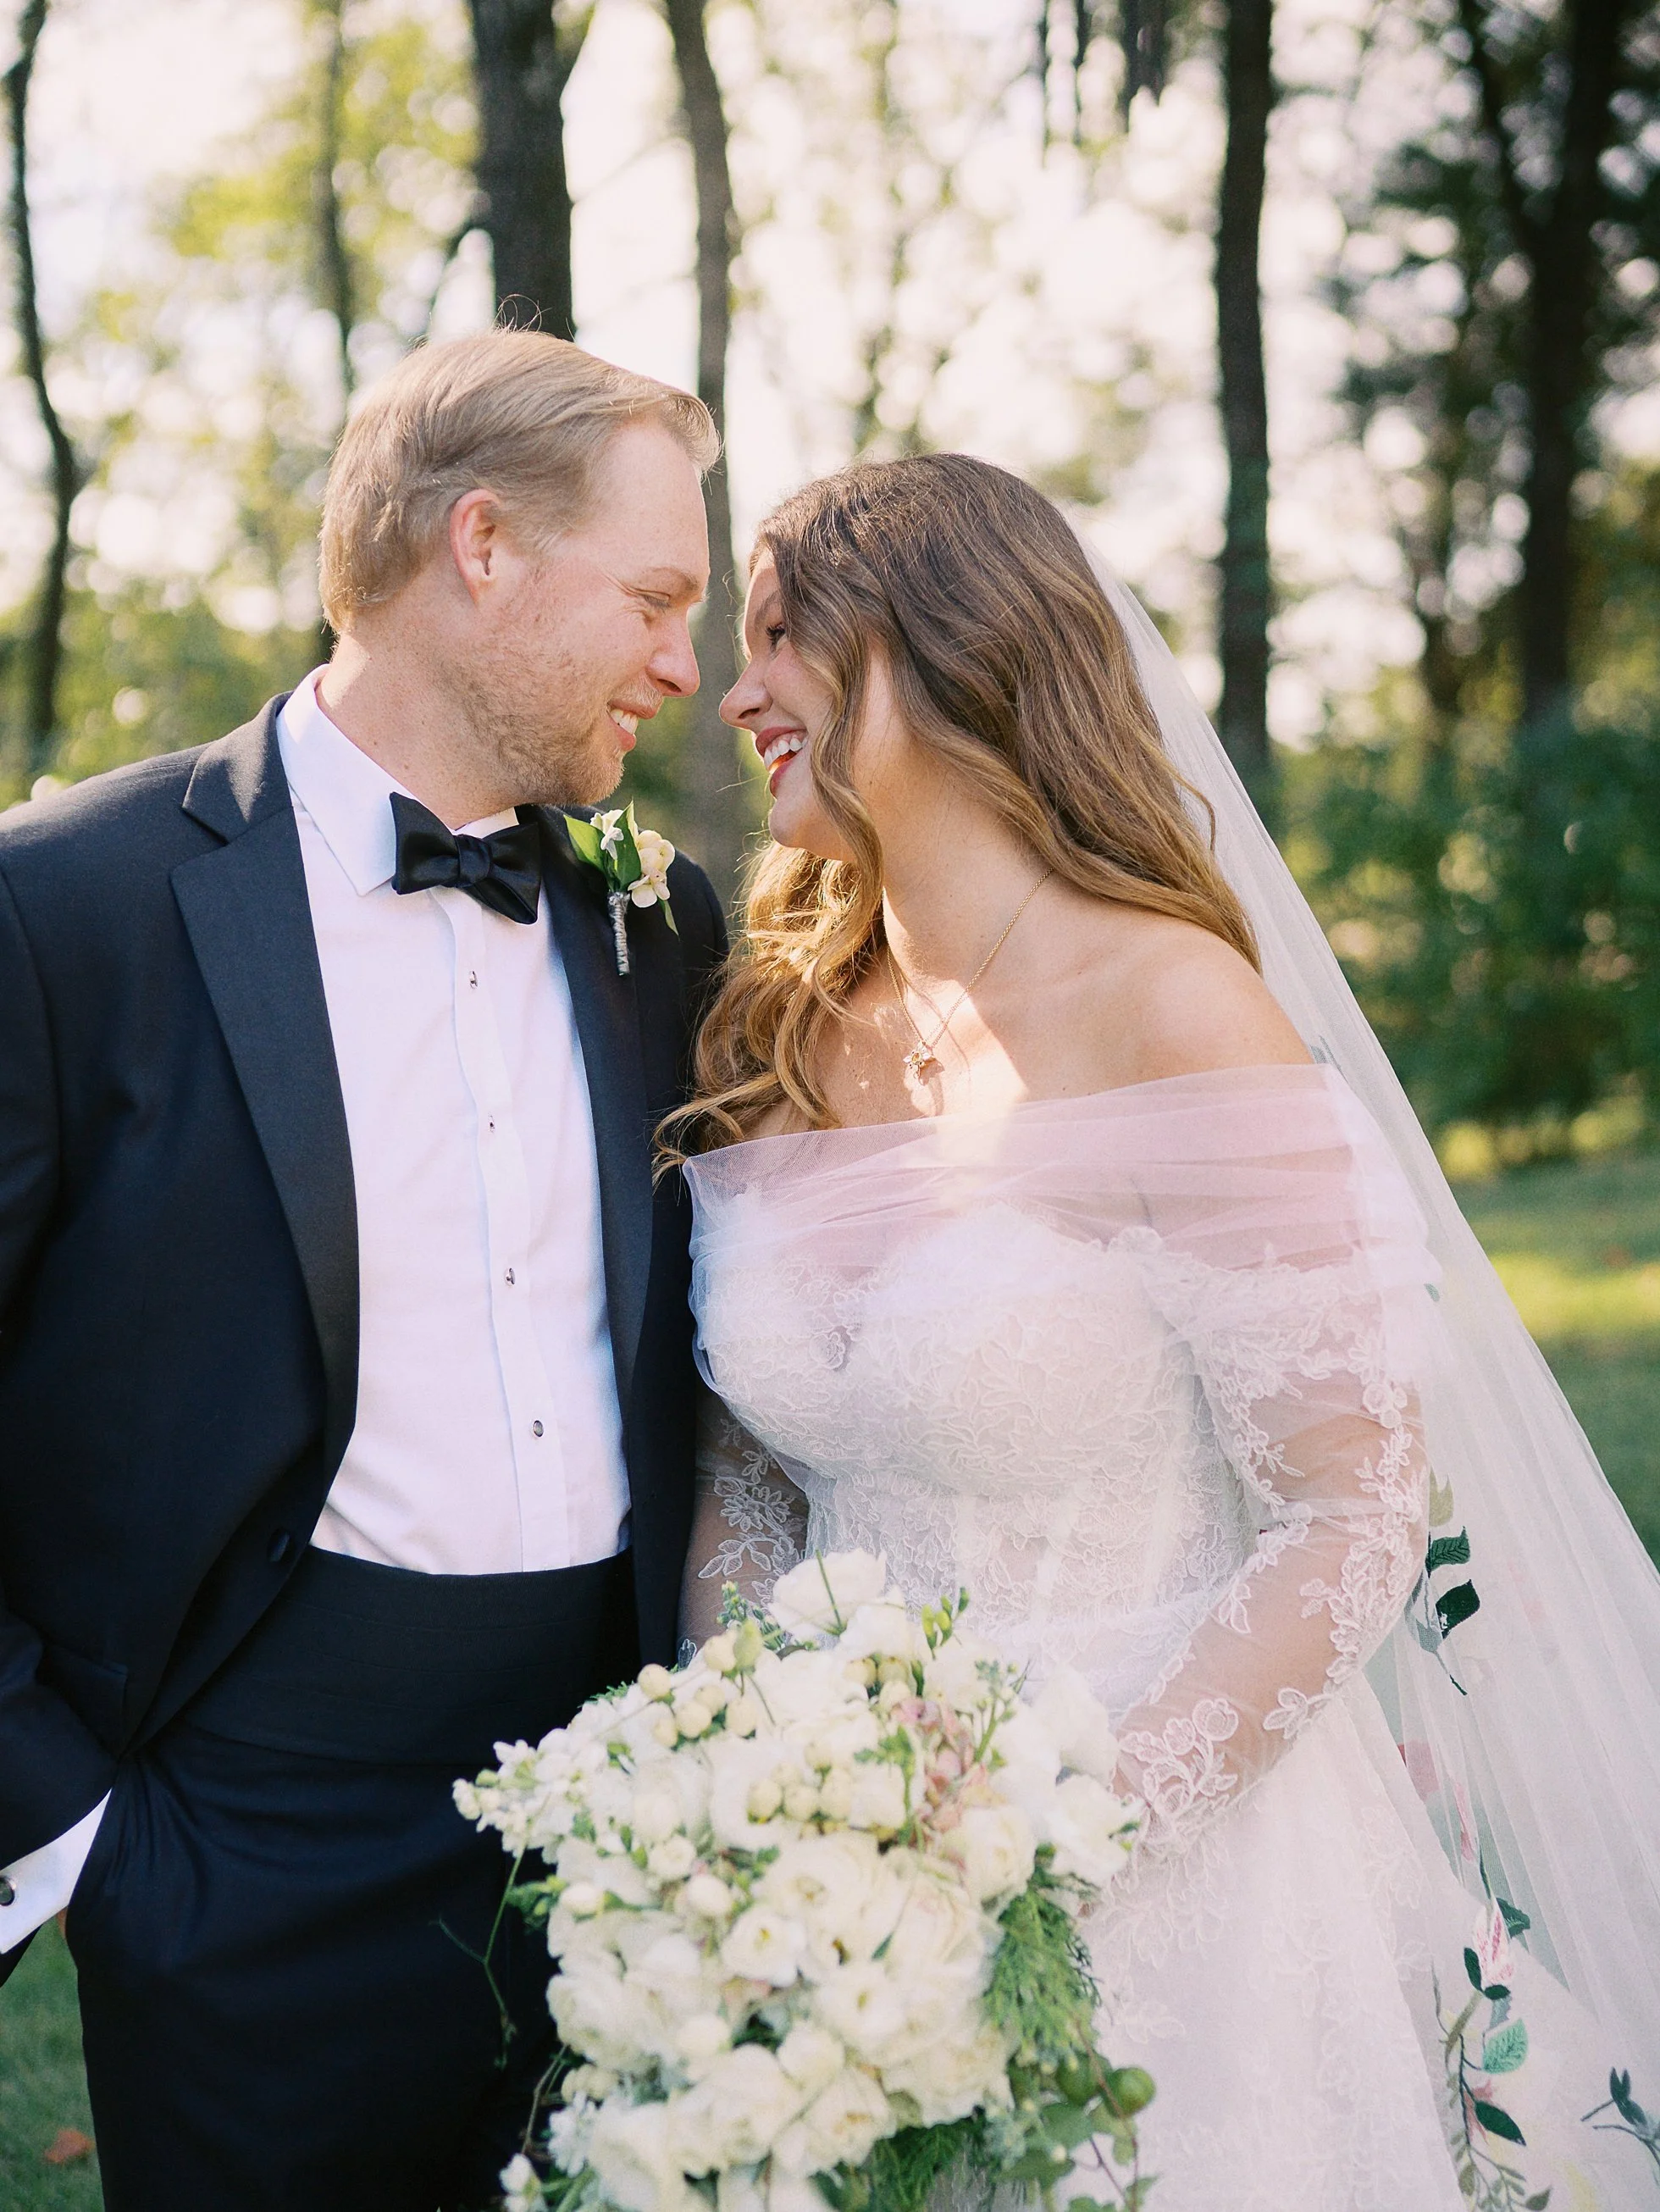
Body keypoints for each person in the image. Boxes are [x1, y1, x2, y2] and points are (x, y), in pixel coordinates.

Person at [670, 452, 1660, 2211]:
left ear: (940, 640)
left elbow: (1346, 1518)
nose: (730, 689)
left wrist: (1057, 1841)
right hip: (828, 1907)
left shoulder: (1171, 1009)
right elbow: (752, 1479)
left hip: (1176, 1894)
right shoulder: (780, 1027)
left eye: (775, 636)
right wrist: (769, 1779)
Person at [0, 330, 727, 2212]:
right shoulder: (66, 902)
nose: (684, 663)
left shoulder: (661, 917)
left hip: (634, 1821)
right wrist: (76, 1831)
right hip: (240, 1835)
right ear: (477, 546)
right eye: (653, 598)